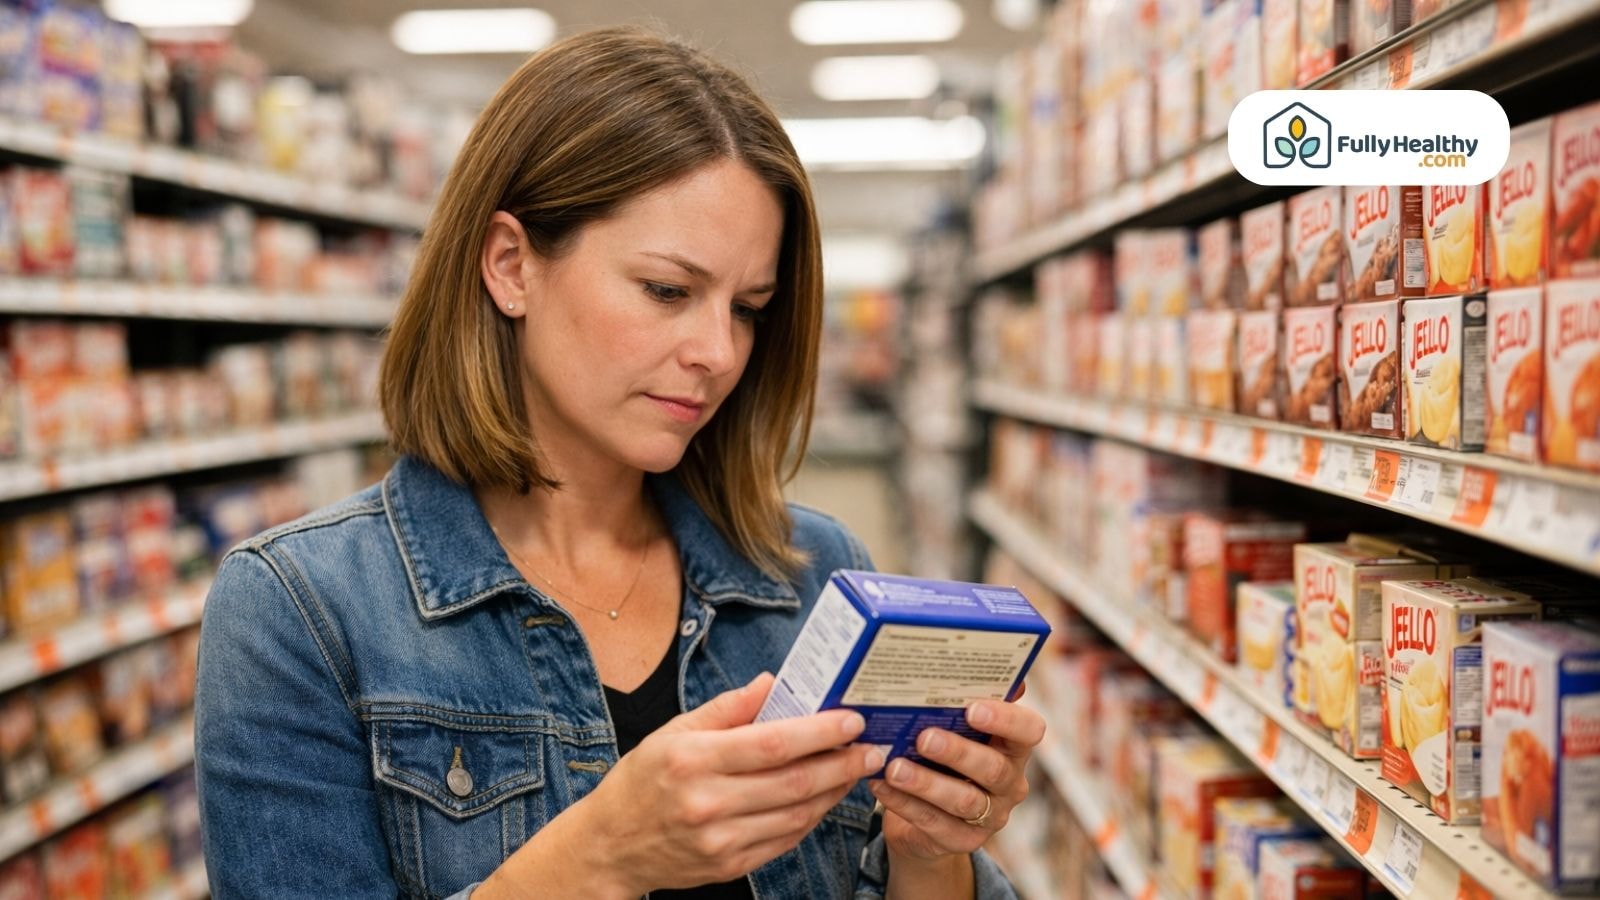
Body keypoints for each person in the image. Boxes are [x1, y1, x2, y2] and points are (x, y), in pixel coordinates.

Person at [195, 26, 1043, 899]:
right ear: (511, 265)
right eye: (668, 291)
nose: (718, 350)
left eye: (749, 307)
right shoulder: (302, 612)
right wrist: (601, 856)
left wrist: (930, 851)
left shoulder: (813, 579)